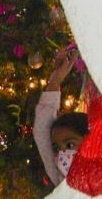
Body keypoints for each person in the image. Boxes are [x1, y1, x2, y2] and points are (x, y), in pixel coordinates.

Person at [32, 43, 88, 188]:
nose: (63, 155)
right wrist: (56, 79)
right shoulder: (61, 179)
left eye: (70, 145)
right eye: (56, 148)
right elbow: (42, 131)